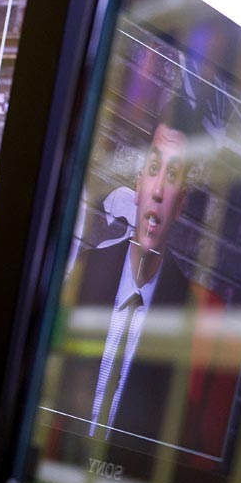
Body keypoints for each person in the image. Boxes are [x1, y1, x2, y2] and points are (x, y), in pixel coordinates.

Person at [56, 95, 203, 447]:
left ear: (181, 203)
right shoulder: (86, 273)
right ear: (138, 184)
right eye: (153, 170)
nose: (158, 191)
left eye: (172, 175)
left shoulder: (186, 312)